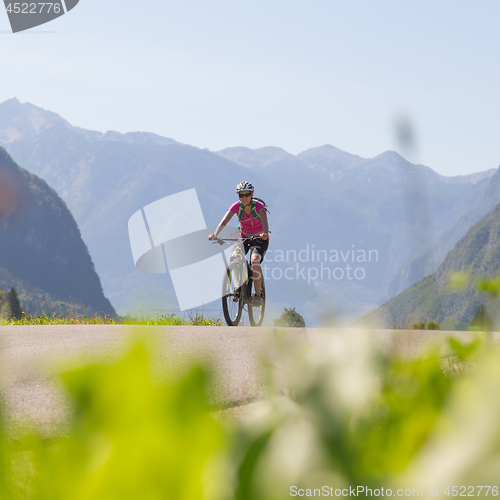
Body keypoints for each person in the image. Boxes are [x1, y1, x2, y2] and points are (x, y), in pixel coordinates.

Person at [208, 181, 269, 305]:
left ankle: (257, 295)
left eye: (247, 194)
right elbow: (224, 220)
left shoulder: (259, 207)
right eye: (241, 195)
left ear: (252, 194)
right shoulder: (236, 206)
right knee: (235, 257)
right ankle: (238, 287)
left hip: (260, 238)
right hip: (244, 237)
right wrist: (215, 234)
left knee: (255, 260)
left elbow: (264, 219)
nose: (244, 198)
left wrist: (265, 233)